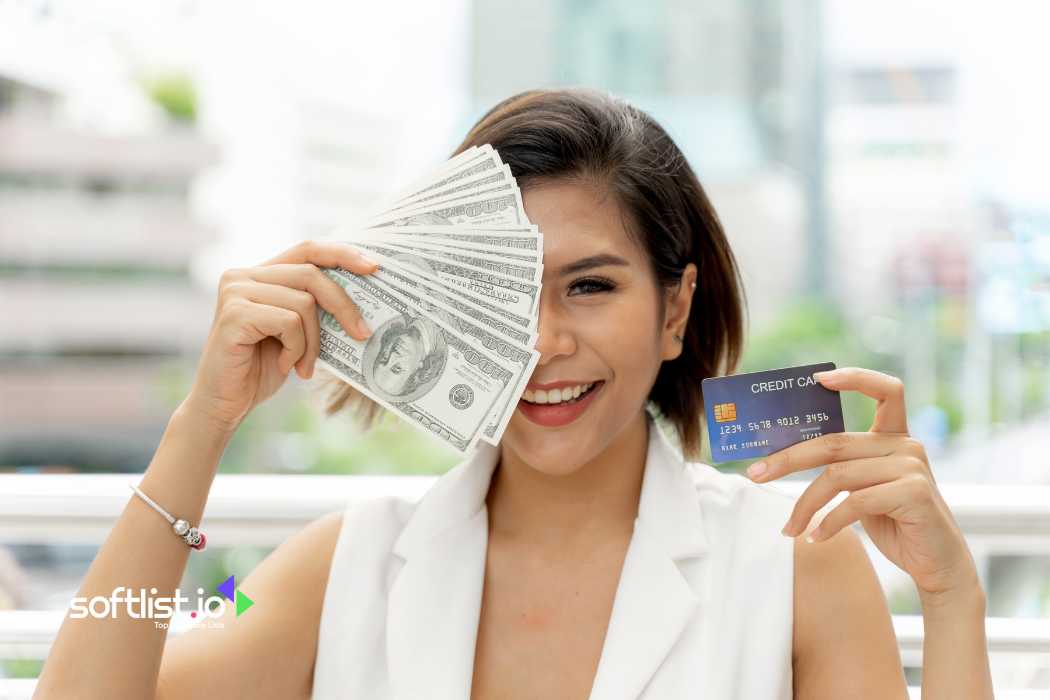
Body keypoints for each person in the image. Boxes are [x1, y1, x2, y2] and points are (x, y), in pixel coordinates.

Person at [35, 89, 994, 699]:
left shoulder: (795, 567)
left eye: (591, 284)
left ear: (675, 310)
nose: (542, 343)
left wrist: (950, 598)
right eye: (500, 294)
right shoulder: (332, 569)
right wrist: (200, 429)